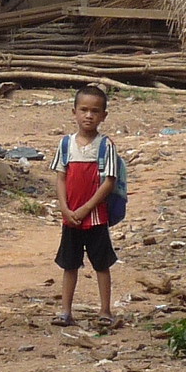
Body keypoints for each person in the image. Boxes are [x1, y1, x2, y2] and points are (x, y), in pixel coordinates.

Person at [50, 85, 122, 326]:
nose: (89, 115)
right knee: (69, 264)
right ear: (74, 112)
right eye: (84, 110)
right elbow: (61, 177)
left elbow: (108, 183)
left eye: (95, 111)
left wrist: (85, 209)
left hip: (95, 217)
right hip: (70, 217)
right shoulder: (65, 145)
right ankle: (65, 311)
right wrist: (65, 208)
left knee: (101, 263)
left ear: (103, 115)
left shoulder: (106, 146)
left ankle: (105, 311)